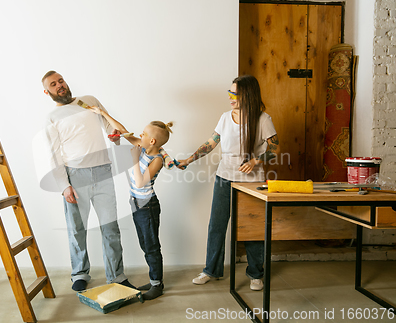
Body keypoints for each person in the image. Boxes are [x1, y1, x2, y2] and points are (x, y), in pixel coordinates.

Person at [177, 75, 280, 291]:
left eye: (235, 93)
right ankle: (211, 270)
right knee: (217, 225)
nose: (230, 97)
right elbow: (210, 143)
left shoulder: (262, 119)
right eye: (230, 92)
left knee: (251, 228)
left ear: (248, 95)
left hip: (251, 182)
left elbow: (274, 149)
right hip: (224, 178)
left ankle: (255, 274)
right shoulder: (225, 118)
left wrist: (255, 160)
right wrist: (189, 159)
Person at [41, 70, 135, 292]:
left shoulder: (89, 101)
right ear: (47, 92)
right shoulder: (51, 118)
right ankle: (80, 274)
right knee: (77, 229)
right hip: (75, 176)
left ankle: (117, 275)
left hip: (102, 172)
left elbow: (109, 126)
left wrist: (114, 135)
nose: (59, 86)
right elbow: (53, 154)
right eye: (53, 84)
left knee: (110, 227)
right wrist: (64, 186)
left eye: (61, 81)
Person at [89, 105, 172, 300]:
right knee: (145, 244)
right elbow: (124, 131)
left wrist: (135, 159)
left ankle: (157, 285)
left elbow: (142, 181)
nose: (139, 135)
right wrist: (103, 114)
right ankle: (154, 280)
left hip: (148, 206)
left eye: (143, 134)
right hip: (136, 203)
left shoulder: (157, 158)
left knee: (152, 246)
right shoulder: (143, 146)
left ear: (152, 140)